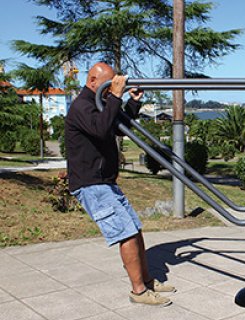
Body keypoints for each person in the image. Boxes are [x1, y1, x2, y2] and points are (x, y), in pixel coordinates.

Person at [65, 62, 175, 306]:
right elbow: (102, 129)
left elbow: (118, 126)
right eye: (107, 84)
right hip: (91, 184)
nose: (111, 88)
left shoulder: (99, 102)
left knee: (134, 230)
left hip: (105, 182)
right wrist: (114, 94)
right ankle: (138, 292)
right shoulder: (81, 107)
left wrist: (132, 102)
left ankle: (147, 281)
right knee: (125, 232)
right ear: (93, 81)